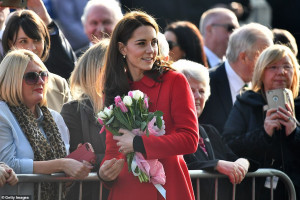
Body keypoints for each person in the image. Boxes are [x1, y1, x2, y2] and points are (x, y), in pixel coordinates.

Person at [98, 11, 199, 200]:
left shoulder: (174, 80)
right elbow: (113, 149)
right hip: (127, 190)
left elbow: (190, 139)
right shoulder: (114, 88)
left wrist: (138, 143)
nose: (151, 50)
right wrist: (105, 174)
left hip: (168, 187)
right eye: (141, 43)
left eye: (153, 42)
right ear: (122, 48)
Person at [0, 49, 93, 199]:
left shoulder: (55, 118)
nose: (41, 81)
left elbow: (61, 179)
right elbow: (9, 164)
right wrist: (62, 164)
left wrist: (75, 167)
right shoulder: (2, 114)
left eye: (43, 75)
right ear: (12, 80)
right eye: (32, 77)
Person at [223, 44, 300, 200]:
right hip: (254, 192)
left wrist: (294, 133)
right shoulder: (246, 103)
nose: (281, 72)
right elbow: (229, 145)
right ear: (261, 72)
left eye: (287, 66)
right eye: (273, 67)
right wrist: (264, 134)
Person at [173, 59, 257, 200]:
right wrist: (216, 165)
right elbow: (177, 168)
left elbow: (232, 159)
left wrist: (243, 162)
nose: (197, 96)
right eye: (191, 90)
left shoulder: (209, 131)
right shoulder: (168, 130)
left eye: (201, 91)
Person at [199, 23, 273, 133]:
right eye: (264, 57)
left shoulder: (264, 87)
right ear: (244, 57)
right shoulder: (205, 83)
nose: (269, 64)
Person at [61, 39, 110, 200]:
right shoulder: (72, 111)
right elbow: (76, 159)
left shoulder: (130, 106)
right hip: (89, 194)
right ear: (95, 71)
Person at [2, 2, 72, 112]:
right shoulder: (3, 84)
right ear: (11, 43)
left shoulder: (59, 84)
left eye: (37, 40)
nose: (32, 48)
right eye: (23, 41)